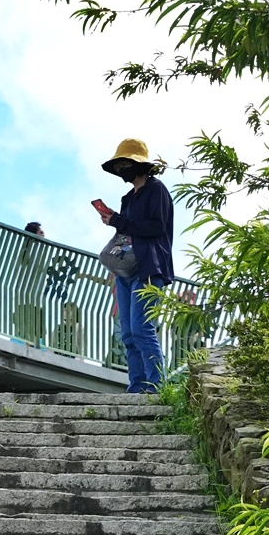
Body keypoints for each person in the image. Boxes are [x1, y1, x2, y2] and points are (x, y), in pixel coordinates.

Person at [99, 137, 173, 394]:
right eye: (118, 167)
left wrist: (120, 221)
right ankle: (137, 387)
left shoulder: (157, 189)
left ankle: (156, 386)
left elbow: (156, 227)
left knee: (143, 329)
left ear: (138, 164)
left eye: (124, 165)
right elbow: (126, 233)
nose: (121, 171)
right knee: (128, 334)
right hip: (126, 269)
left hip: (150, 267)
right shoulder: (128, 198)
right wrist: (115, 220)